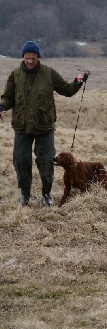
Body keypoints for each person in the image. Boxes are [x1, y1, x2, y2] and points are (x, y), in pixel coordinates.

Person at [0, 40, 89, 207]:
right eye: (27, 58)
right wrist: (2, 106)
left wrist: (78, 81)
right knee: (21, 161)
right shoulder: (15, 75)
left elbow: (66, 90)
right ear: (23, 57)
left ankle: (46, 194)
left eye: (33, 58)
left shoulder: (49, 73)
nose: (30, 61)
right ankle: (25, 195)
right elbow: (8, 97)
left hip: (44, 127)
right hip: (22, 127)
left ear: (38, 57)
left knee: (46, 161)